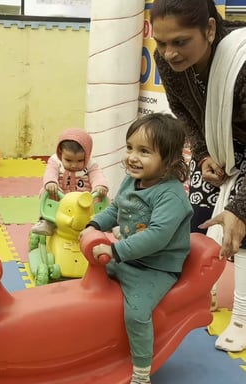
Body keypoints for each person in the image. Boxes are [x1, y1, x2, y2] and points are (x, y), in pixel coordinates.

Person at [150, 0, 246, 352]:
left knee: (241, 232)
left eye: (179, 42)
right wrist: (204, 154)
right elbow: (184, 112)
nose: (169, 53)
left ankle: (241, 316)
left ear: (208, 29)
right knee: (197, 223)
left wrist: (241, 207)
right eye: (161, 43)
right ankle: (193, 298)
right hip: (219, 147)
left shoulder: (242, 59)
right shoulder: (168, 61)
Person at [80, 113, 193, 384]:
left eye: (144, 151)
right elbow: (117, 209)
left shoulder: (171, 195)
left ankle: (142, 370)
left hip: (155, 267)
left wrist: (115, 250)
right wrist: (94, 224)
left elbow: (156, 237)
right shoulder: (132, 180)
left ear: (169, 160)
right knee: (89, 283)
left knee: (137, 312)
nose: (132, 156)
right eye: (130, 147)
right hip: (127, 256)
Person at [31, 127, 109, 236]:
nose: (74, 165)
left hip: (83, 201)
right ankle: (47, 221)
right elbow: (50, 172)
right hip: (61, 197)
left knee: (102, 197)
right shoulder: (55, 161)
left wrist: (100, 185)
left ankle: (106, 221)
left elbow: (97, 175)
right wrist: (51, 182)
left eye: (80, 161)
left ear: (86, 156)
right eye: (68, 160)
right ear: (60, 153)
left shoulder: (91, 165)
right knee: (46, 192)